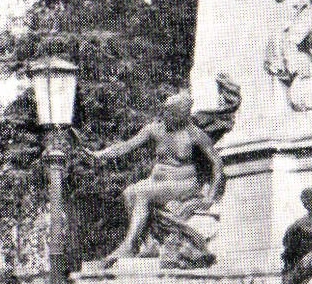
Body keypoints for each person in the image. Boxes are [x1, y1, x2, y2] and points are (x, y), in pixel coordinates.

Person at [88, 92, 223, 267]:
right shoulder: (155, 129)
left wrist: (210, 197)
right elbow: (127, 146)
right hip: (159, 182)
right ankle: (148, 243)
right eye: (166, 112)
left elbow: (217, 165)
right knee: (129, 192)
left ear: (183, 114)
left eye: (172, 113)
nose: (167, 116)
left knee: (143, 192)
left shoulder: (194, 135)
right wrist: (100, 154)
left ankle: (129, 246)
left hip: (184, 184)